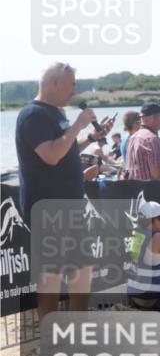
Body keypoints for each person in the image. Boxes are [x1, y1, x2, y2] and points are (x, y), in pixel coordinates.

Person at [14, 62, 113, 321]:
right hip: (47, 208)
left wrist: (90, 139)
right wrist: (79, 125)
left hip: (70, 204)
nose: (74, 91)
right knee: (52, 274)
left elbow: (65, 148)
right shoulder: (33, 115)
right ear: (54, 83)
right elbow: (51, 155)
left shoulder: (55, 113)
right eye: (71, 85)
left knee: (82, 268)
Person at [125, 104, 160, 180]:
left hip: (135, 190)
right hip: (152, 190)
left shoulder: (132, 138)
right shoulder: (151, 139)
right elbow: (158, 174)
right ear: (153, 118)